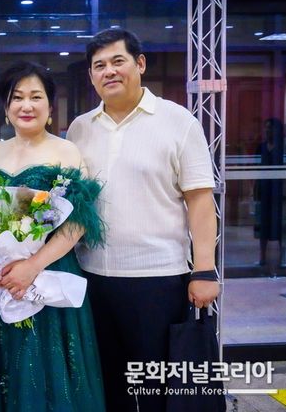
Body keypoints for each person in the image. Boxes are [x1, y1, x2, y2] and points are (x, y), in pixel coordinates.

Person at [66, 28, 220, 412]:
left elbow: (200, 201)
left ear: (140, 64)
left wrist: (204, 270)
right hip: (92, 278)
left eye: (118, 61)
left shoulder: (178, 121)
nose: (109, 71)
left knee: (157, 388)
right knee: (108, 385)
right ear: (91, 75)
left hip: (158, 281)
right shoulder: (80, 128)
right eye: (99, 65)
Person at [0, 61, 106, 412]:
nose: (26, 105)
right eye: (17, 97)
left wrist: (32, 266)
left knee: (48, 365)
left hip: (49, 272)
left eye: (35, 97)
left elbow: (78, 222)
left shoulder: (66, 151)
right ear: (6, 107)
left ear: (50, 106)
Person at [254, 118, 286, 267]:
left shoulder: (285, 148)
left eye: (271, 128)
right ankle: (262, 258)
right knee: (263, 225)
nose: (268, 130)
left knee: (282, 226)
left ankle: (282, 259)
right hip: (264, 192)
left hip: (280, 193)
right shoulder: (261, 147)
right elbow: (255, 170)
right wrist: (255, 191)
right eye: (266, 128)